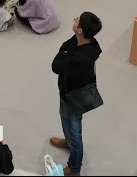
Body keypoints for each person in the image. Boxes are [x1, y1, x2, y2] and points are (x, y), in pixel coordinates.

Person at [49, 12, 103, 177]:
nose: (74, 20)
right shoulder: (86, 41)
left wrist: (64, 54)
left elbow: (56, 66)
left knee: (74, 129)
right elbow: (64, 46)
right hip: (66, 92)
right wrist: (64, 53)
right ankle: (69, 143)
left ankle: (74, 168)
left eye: (77, 20)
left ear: (80, 30)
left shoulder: (81, 58)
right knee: (64, 118)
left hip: (74, 97)